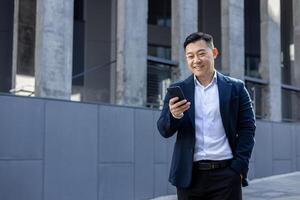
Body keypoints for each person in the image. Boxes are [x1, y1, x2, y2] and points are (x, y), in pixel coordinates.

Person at [157, 32, 256, 200]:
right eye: (191, 56)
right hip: (189, 177)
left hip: (226, 175)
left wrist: (239, 167)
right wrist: (175, 115)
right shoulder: (178, 90)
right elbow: (163, 130)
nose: (196, 60)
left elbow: (248, 128)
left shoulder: (236, 88)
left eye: (202, 53)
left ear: (214, 53)